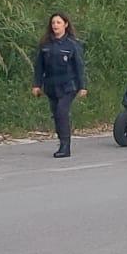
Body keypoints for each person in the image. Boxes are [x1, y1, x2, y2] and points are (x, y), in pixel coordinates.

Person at [32, 12, 88, 159]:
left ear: (65, 25)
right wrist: (37, 84)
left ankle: (65, 146)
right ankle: (61, 140)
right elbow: (39, 67)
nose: (55, 25)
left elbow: (79, 66)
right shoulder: (45, 44)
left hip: (68, 86)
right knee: (56, 115)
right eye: (53, 23)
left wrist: (82, 86)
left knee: (62, 113)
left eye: (58, 22)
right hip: (51, 86)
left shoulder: (72, 45)